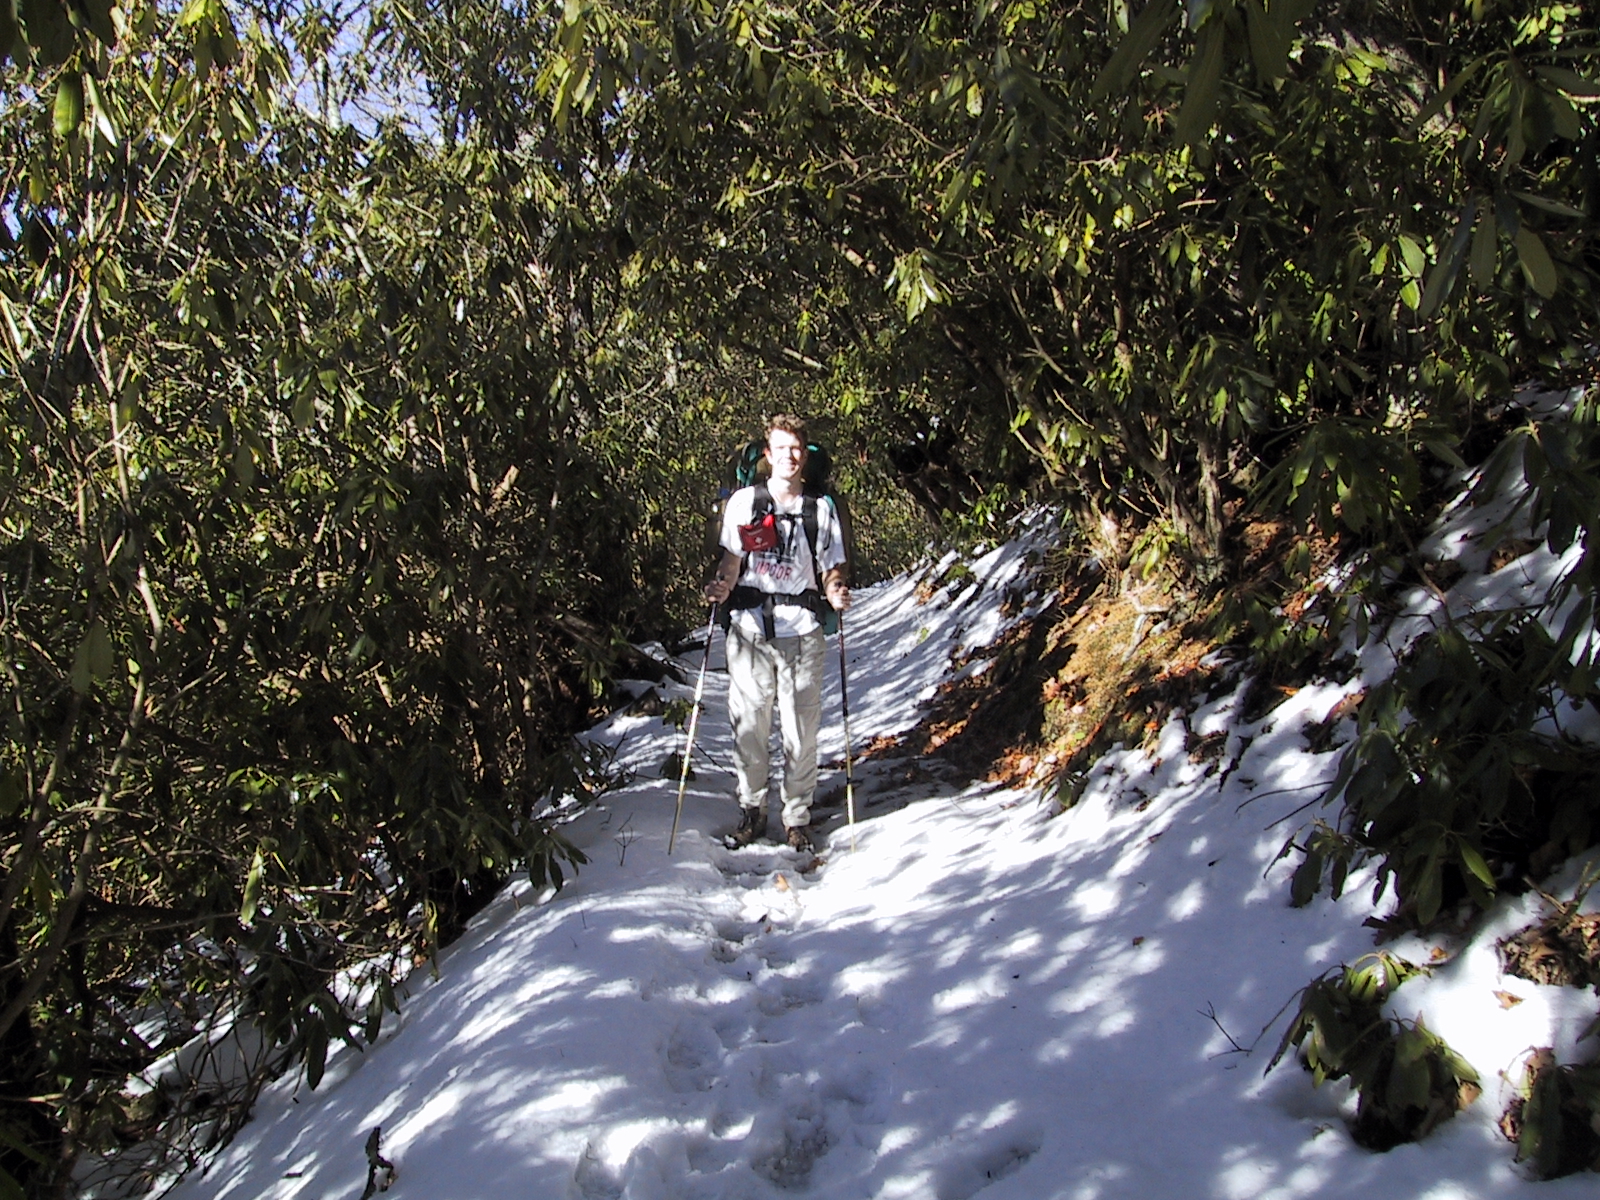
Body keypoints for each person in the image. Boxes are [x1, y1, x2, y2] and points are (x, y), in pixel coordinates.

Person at [704, 415, 851, 851]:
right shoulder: (744, 503)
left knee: (800, 731)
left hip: (803, 632)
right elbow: (731, 562)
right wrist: (720, 587)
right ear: (767, 455)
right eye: (780, 448)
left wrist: (837, 591)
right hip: (749, 630)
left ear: (804, 455)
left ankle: (796, 819)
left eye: (796, 448)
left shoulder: (820, 507)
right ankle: (752, 811)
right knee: (749, 726)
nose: (789, 456)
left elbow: (831, 567)